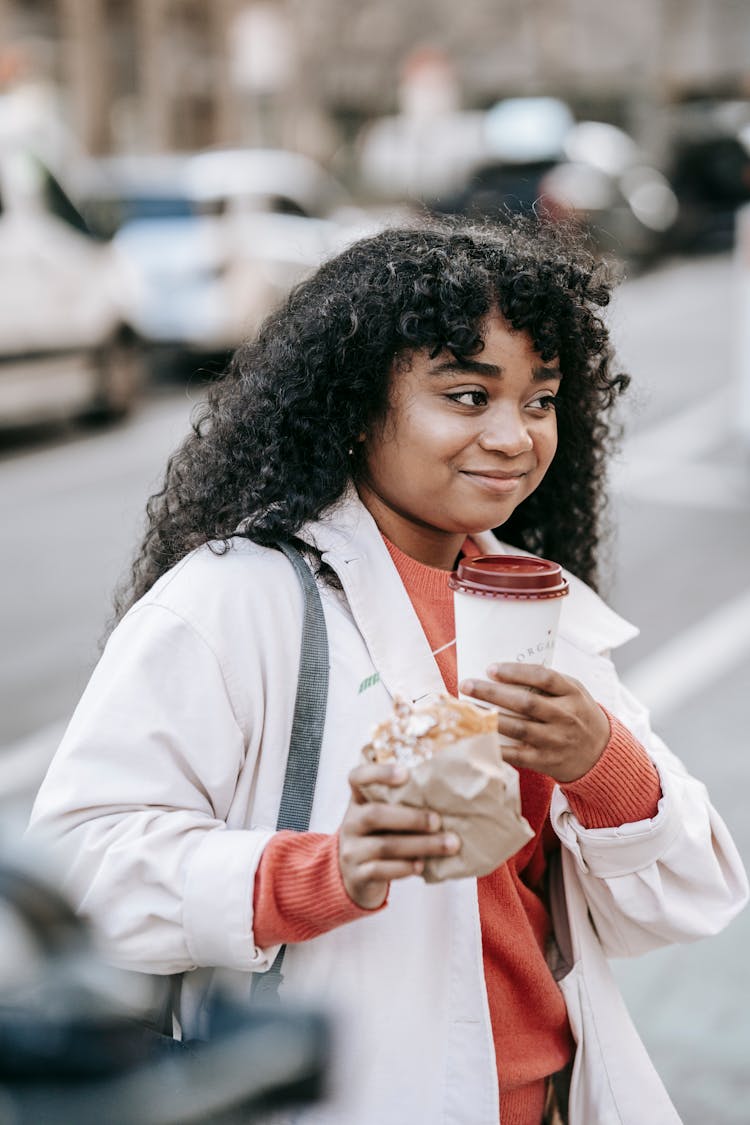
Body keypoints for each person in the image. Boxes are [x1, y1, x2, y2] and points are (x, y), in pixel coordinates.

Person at [29, 219, 747, 1125]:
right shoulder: (235, 600)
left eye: (539, 399)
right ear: (358, 403)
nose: (515, 436)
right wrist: (323, 870)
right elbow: (75, 874)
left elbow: (691, 897)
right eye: (466, 394)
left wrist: (601, 760)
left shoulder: (537, 605)